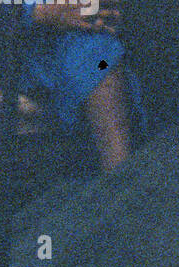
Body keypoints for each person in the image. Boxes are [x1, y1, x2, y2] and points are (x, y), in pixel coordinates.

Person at [19, 0, 141, 172]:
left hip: (92, 44)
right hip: (15, 49)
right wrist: (40, 13)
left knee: (98, 58)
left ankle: (120, 179)